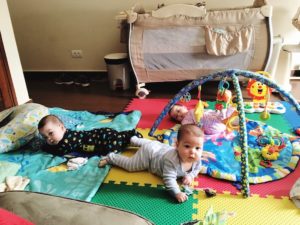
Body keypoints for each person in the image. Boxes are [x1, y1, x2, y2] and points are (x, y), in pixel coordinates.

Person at [99, 124, 205, 203]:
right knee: (131, 165)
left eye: (197, 148)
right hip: (150, 156)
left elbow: (196, 170)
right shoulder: (172, 161)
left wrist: (190, 176)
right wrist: (177, 192)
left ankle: (133, 139)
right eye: (187, 146)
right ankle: (111, 157)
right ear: (177, 145)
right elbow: (169, 179)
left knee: (153, 144)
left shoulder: (197, 160)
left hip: (160, 147)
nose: (193, 151)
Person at [38, 114, 139, 157]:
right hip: (98, 134)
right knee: (115, 139)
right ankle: (129, 137)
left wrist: (45, 147)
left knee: (112, 146)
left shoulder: (66, 142)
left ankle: (132, 138)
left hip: (98, 138)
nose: (49, 139)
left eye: (51, 133)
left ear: (61, 127)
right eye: (45, 137)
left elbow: (59, 151)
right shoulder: (67, 134)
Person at [168, 103, 237, 135]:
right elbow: (190, 127)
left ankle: (230, 114)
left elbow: (205, 111)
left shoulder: (192, 110)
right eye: (176, 117)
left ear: (184, 106)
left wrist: (212, 111)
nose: (179, 115)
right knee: (217, 116)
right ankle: (227, 114)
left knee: (214, 113)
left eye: (178, 111)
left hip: (216, 123)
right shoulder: (184, 122)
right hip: (210, 127)